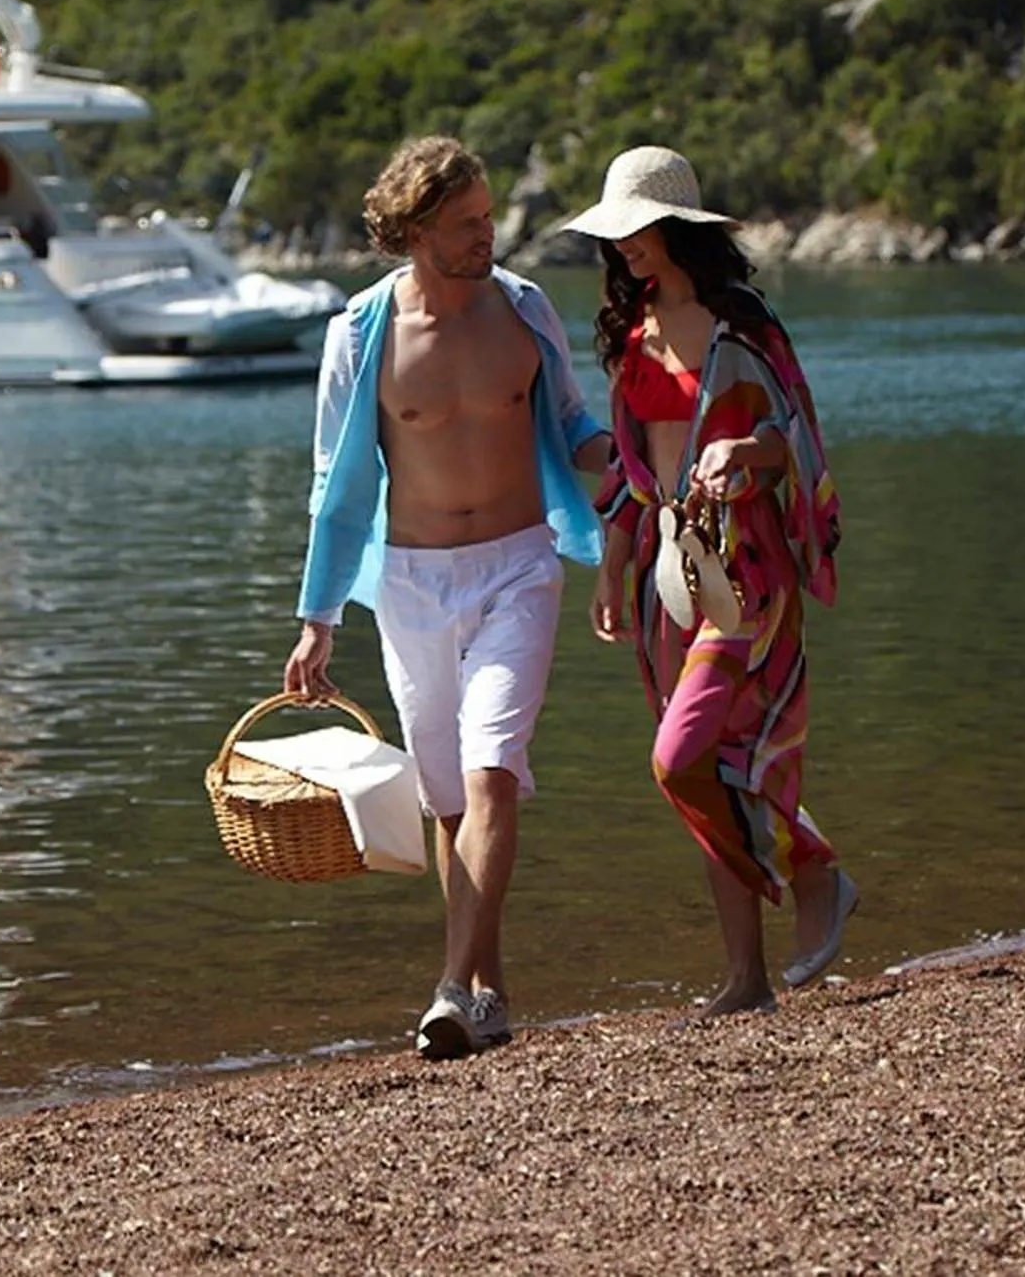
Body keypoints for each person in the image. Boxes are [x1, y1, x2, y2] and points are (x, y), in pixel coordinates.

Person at [285, 134, 612, 1062]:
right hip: (413, 584)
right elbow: (336, 486)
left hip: (519, 563)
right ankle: (489, 990)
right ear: (419, 229)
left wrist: (624, 469)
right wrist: (319, 619)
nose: (490, 237)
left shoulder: (524, 309)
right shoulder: (360, 334)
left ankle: (447, 987)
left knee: (492, 765)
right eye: (470, 224)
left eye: (490, 218)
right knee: (446, 800)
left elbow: (573, 424)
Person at [564, 145, 850, 1018]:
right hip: (665, 575)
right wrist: (612, 567)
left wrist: (742, 448)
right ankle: (746, 978)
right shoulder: (628, 331)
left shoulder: (744, 325)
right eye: (615, 238)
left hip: (746, 575)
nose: (624, 250)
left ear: (678, 228)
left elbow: (797, 441)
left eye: (637, 232)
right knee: (708, 773)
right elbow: (629, 468)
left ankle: (813, 870)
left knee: (681, 759)